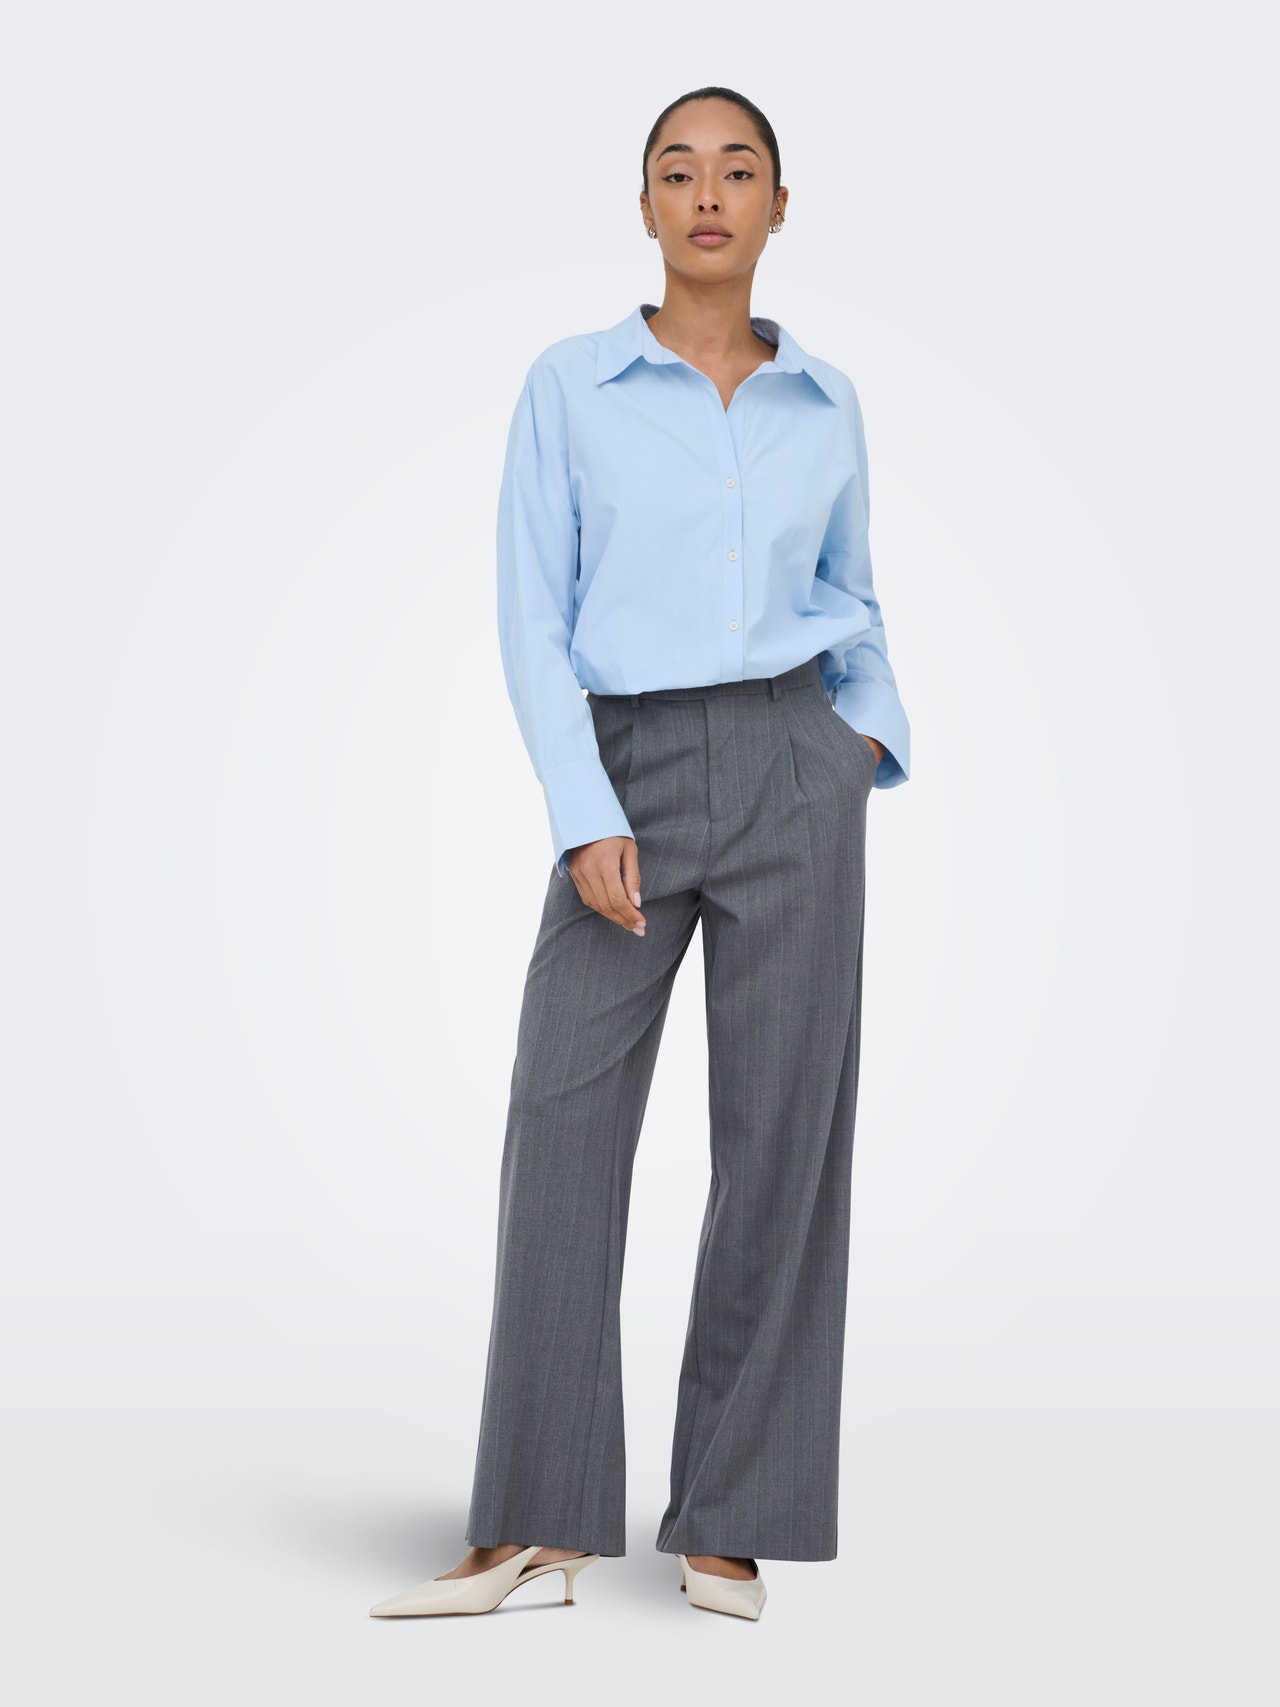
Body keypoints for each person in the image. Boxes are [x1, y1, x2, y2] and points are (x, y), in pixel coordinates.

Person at [369, 83, 911, 1624]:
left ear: (781, 206)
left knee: (783, 1141)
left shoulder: (826, 404)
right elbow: (531, 609)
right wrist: (582, 806)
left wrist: (860, 744)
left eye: (738, 170)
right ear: (648, 205)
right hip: (630, 764)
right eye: (679, 170)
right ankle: (535, 1517)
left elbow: (856, 595)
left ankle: (732, 1512)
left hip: (796, 762)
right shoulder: (573, 386)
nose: (708, 194)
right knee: (562, 1118)